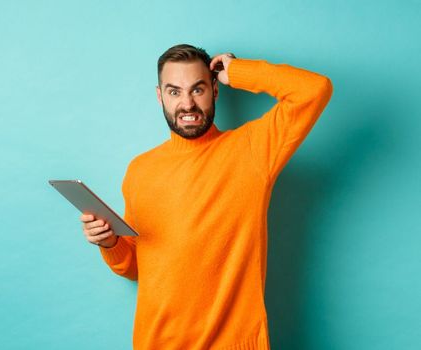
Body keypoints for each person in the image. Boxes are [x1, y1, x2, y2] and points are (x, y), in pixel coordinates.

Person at [79, 44, 332, 349]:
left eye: (197, 90)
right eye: (174, 92)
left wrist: (238, 72)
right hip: (156, 343)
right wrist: (110, 243)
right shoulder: (139, 170)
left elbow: (314, 90)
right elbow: (137, 267)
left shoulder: (252, 150)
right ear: (160, 96)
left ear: (214, 89)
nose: (187, 104)